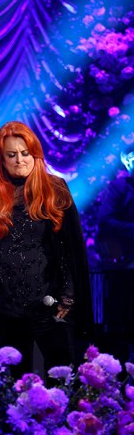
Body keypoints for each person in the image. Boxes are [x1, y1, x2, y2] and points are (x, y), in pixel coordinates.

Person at [0, 121, 93, 378]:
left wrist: (68, 296)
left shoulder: (55, 188)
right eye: (11, 155)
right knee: (13, 385)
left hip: (49, 302)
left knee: (61, 380)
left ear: (35, 154)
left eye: (25, 153)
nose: (19, 160)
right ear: (0, 159)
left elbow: (71, 247)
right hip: (2, 306)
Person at [95, 145, 134, 364]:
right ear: (127, 163)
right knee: (121, 321)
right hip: (124, 266)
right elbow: (105, 220)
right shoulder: (119, 187)